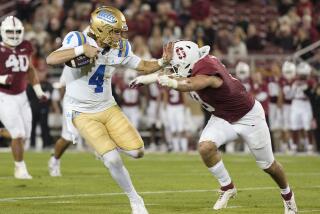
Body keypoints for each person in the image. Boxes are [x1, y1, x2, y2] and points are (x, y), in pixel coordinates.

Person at [131, 41, 298, 213]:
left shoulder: (208, 70)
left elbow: (191, 83)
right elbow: (180, 75)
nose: (173, 70)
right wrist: (150, 78)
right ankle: (228, 187)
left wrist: (170, 83)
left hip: (248, 117)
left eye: (176, 66)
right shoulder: (195, 64)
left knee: (268, 166)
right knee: (206, 148)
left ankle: (288, 196)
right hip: (222, 116)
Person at [46, 6, 171, 214]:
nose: (119, 35)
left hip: (107, 106)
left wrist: (162, 62)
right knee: (112, 159)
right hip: (82, 110)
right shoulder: (78, 39)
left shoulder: (120, 47)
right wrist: (80, 50)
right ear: (101, 29)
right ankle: (135, 200)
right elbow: (51, 59)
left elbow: (142, 65)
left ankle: (103, 147)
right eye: (115, 31)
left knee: (138, 152)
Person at [0, 16, 47, 179]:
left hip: (22, 95)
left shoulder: (26, 46)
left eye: (17, 31)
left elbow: (30, 69)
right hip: (4, 96)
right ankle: (20, 168)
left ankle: (3, 132)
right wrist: (2, 79)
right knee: (18, 134)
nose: (13, 35)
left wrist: (38, 91)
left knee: (25, 135)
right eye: (10, 32)